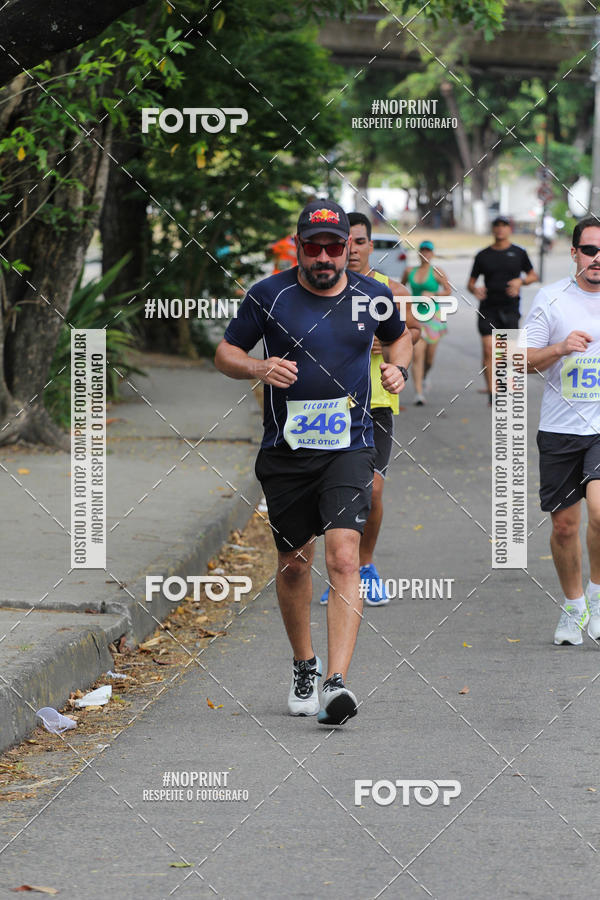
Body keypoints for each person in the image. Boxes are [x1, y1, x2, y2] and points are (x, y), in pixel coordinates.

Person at [214, 200, 412, 724]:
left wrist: (397, 371)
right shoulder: (269, 294)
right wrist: (257, 365)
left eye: (334, 246)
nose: (324, 256)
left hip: (350, 444)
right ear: (298, 246)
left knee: (344, 557)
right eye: (313, 246)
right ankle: (305, 663)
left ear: (350, 246)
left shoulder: (374, 294)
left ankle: (336, 683)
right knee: (295, 563)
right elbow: (225, 353)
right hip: (287, 452)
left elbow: (401, 340)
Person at [319, 211, 420, 607]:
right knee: (328, 492)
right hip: (325, 405)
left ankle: (366, 565)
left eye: (360, 242)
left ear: (370, 245)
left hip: (374, 403)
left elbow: (413, 331)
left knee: (373, 490)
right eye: (347, 242)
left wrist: (391, 346)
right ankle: (340, 569)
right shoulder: (322, 287)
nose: (353, 249)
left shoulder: (392, 290)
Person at [524, 215, 600, 645]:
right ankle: (574, 604)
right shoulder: (551, 299)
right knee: (565, 527)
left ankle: (598, 593)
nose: (597, 258)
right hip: (560, 428)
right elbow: (520, 359)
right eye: (589, 250)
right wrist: (560, 347)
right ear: (574, 253)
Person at [468, 215, 538, 405]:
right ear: (493, 229)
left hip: (510, 308)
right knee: (489, 350)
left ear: (509, 229)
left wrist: (520, 281)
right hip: (488, 308)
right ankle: (494, 394)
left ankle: (504, 386)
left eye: (504, 226)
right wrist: (476, 289)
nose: (500, 229)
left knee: (508, 353)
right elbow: (471, 283)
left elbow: (533, 275)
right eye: (497, 226)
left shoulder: (519, 253)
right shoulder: (483, 255)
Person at [403, 240, 451, 405]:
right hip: (415, 316)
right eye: (423, 251)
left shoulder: (437, 271)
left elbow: (448, 291)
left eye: (429, 251)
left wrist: (434, 294)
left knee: (429, 358)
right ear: (418, 253)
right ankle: (419, 394)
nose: (426, 254)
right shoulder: (409, 270)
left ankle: (425, 375)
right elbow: (400, 289)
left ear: (433, 253)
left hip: (433, 316)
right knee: (417, 354)